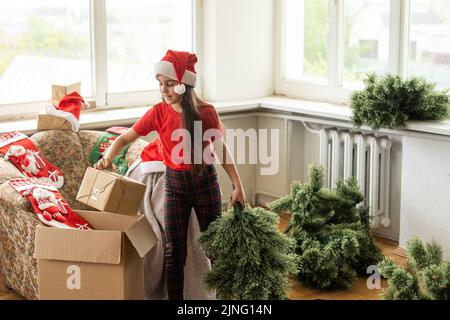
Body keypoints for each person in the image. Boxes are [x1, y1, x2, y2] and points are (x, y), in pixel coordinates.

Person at [94, 49, 246, 300]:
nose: (163, 90)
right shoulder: (157, 112)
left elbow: (220, 149)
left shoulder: (205, 113)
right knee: (174, 252)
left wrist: (237, 184)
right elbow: (125, 137)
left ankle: (224, 297)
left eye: (170, 84)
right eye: (160, 84)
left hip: (204, 182)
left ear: (184, 85)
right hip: (175, 185)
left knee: (214, 246)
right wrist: (108, 156)